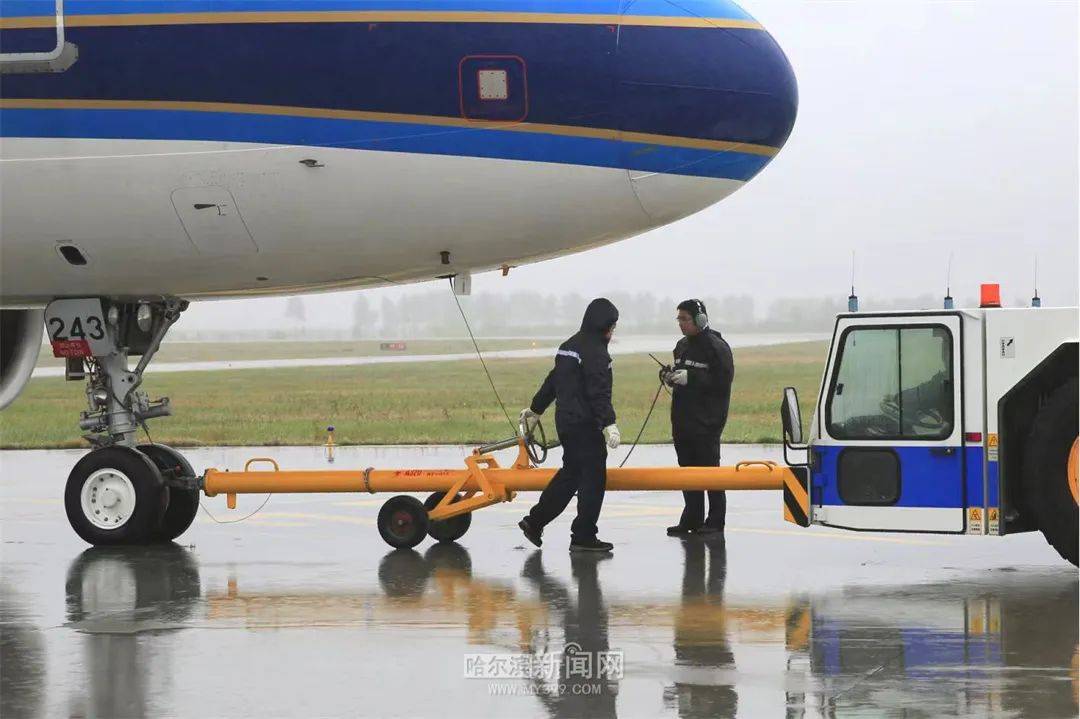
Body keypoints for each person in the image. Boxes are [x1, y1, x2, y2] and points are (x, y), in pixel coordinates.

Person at [518, 298, 621, 553]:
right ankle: (584, 535)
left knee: (570, 475)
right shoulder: (596, 352)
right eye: (612, 326)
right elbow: (599, 392)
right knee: (593, 480)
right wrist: (609, 424)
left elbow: (553, 381)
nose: (612, 331)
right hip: (586, 426)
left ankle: (535, 521)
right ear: (605, 325)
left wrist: (536, 408)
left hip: (565, 422)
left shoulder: (568, 346)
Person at [662, 299, 734, 536]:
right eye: (679, 319)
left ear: (700, 320)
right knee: (687, 472)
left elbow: (722, 383)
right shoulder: (681, 345)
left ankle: (715, 521)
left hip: (707, 422)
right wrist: (668, 376)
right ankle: (691, 518)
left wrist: (691, 378)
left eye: (685, 319)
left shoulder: (717, 347)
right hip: (682, 421)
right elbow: (679, 373)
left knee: (710, 472)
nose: (681, 324)